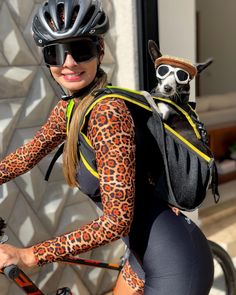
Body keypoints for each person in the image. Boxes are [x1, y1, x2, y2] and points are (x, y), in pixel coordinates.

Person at [0, 0, 214, 294]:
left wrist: (29, 255)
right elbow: (25, 157)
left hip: (175, 264)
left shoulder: (108, 114)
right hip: (142, 256)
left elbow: (116, 222)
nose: (69, 62)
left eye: (81, 49)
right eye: (56, 52)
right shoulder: (70, 109)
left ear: (100, 51)